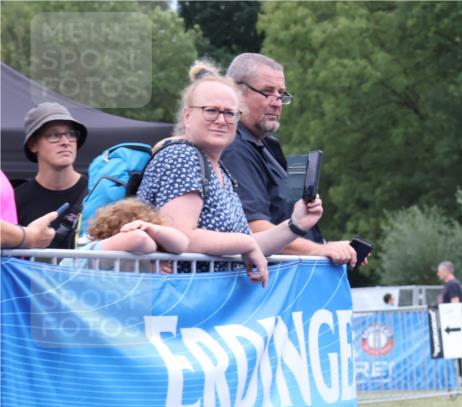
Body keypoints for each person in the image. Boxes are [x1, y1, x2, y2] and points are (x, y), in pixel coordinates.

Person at [137, 62, 323, 287]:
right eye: (211, 110)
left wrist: (296, 224)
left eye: (230, 113)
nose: (221, 120)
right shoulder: (182, 156)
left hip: (208, 305)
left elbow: (249, 244)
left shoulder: (219, 169)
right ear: (187, 116)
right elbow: (181, 237)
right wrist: (245, 243)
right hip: (182, 302)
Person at [222, 53, 355, 266]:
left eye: (281, 94)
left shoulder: (266, 145)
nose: (277, 103)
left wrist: (330, 247)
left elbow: (287, 220)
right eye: (267, 92)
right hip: (270, 285)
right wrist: (319, 250)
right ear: (235, 91)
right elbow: (254, 229)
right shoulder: (234, 148)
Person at [14, 103, 89, 249]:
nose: (66, 142)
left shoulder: (96, 191)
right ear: (33, 145)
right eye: (54, 135)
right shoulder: (17, 199)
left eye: (71, 134)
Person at [60, 199, 188, 269]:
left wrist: (152, 228)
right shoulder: (97, 250)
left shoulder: (148, 249)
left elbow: (182, 244)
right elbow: (140, 239)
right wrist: (154, 261)